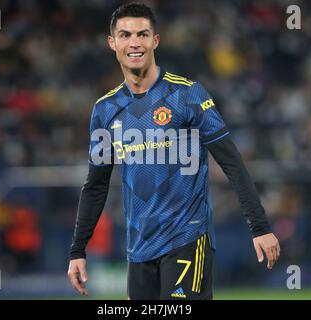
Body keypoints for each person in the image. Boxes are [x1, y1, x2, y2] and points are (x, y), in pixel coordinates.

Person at [67, 2, 280, 300]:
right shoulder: (105, 110)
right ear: (112, 42)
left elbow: (231, 162)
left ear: (155, 40)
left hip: (188, 237)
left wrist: (260, 227)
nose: (135, 42)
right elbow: (96, 184)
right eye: (126, 35)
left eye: (142, 34)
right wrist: (77, 250)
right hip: (139, 248)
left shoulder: (187, 95)